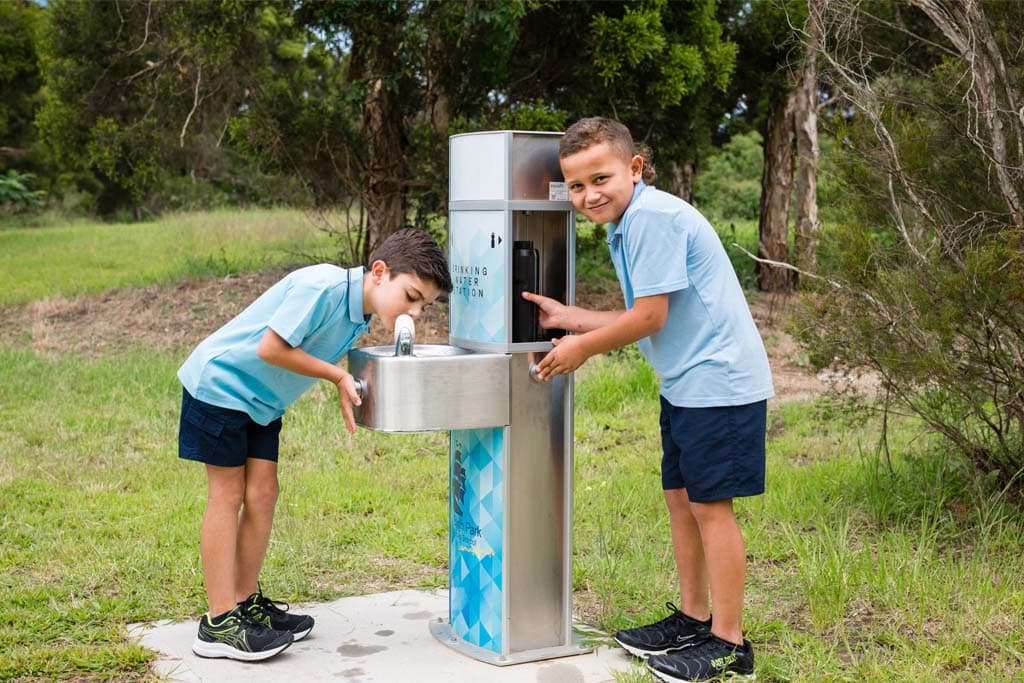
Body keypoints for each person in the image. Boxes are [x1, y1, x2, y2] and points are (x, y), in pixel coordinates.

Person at [525, 118, 772, 682]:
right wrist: (572, 318)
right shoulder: (632, 219)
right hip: (686, 383)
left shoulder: (652, 220)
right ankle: (692, 616)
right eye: (577, 185)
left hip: (720, 383)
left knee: (711, 508)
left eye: (601, 178)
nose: (590, 195)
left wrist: (581, 347)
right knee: (681, 500)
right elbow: (650, 315)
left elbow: (649, 318)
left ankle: (730, 644)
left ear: (635, 168)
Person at [177, 228, 452, 662]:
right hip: (221, 387)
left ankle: (246, 603)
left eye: (424, 305)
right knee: (227, 495)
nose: (415, 312)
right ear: (380, 272)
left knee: (263, 494)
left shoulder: (359, 314)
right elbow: (271, 348)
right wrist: (337, 375)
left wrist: (347, 382)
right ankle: (218, 622)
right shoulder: (321, 286)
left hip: (260, 403)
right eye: (412, 296)